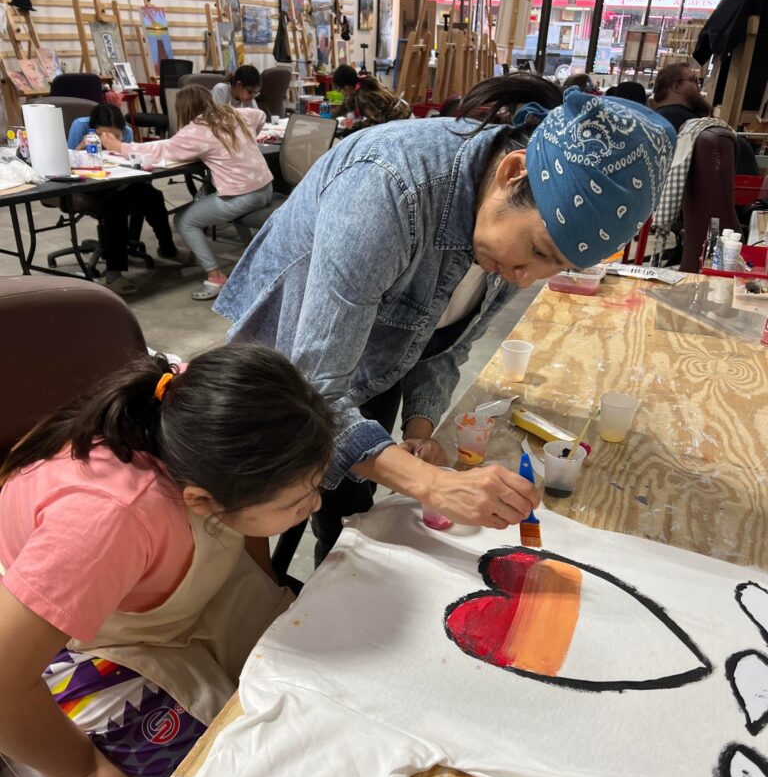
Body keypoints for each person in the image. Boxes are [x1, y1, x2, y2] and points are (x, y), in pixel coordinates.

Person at [214, 76, 676, 564]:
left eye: (556, 266)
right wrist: (432, 484)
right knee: (263, 510)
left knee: (350, 507)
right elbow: (312, 388)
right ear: (513, 174)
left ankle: (335, 556)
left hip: (372, 355)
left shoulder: (503, 234)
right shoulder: (389, 185)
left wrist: (419, 430)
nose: (526, 279)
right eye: (538, 251)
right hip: (285, 363)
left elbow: (442, 339)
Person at [0, 343, 335, 777]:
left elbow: (249, 528)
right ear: (203, 501)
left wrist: (265, 595)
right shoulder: (108, 521)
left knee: (319, 689)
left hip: (152, 583)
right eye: (298, 500)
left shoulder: (205, 425)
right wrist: (82, 773)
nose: (317, 503)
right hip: (66, 630)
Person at [100, 85, 273, 301]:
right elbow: (259, 115)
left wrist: (120, 147)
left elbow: (163, 150)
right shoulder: (233, 113)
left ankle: (216, 276)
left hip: (242, 195)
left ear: (184, 109)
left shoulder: (197, 130)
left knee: (184, 221)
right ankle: (246, 260)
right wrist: (245, 138)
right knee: (203, 204)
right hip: (265, 187)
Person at [66, 104, 178, 296]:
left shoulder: (126, 130)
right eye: (104, 135)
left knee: (153, 196)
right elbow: (66, 162)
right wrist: (81, 147)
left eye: (116, 136)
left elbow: (131, 159)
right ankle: (114, 274)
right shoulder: (80, 126)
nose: (112, 140)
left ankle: (167, 248)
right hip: (89, 184)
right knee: (115, 207)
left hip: (120, 179)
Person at [653, 63, 759, 174]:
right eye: (694, 80)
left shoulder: (662, 119)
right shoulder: (674, 118)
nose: (699, 87)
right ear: (676, 87)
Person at [331, 64, 411, 129]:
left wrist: (353, 125)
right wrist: (328, 117)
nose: (340, 92)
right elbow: (346, 105)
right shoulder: (359, 83)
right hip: (401, 114)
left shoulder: (364, 95)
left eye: (340, 89)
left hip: (402, 120)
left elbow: (375, 123)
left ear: (346, 87)